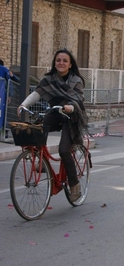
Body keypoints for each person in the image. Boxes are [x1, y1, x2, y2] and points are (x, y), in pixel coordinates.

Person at [17, 49, 88, 202]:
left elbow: (78, 99)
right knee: (39, 127)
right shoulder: (49, 79)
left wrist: (71, 107)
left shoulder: (76, 80)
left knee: (63, 150)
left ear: (70, 65)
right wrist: (23, 105)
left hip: (71, 116)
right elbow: (37, 93)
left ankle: (74, 185)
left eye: (64, 61)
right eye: (58, 60)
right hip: (56, 112)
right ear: (54, 63)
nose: (61, 63)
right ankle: (40, 159)